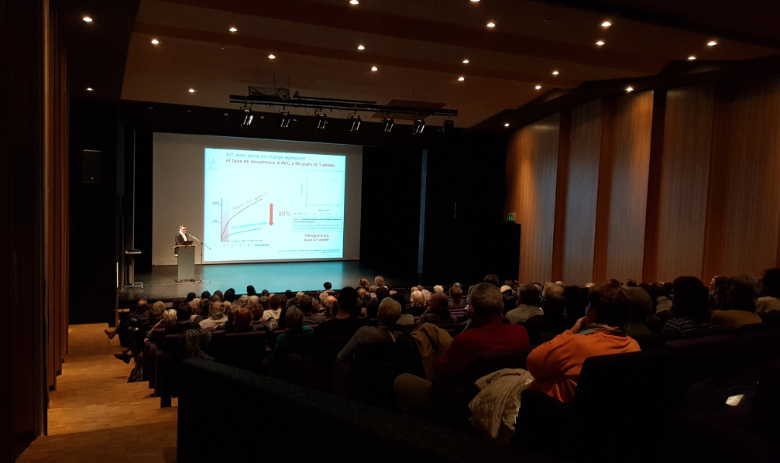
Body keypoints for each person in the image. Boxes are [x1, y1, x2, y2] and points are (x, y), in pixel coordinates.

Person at [394, 283, 530, 416]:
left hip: (461, 403)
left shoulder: (466, 340)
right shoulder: (521, 332)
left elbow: (439, 369)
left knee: (401, 380)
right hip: (505, 400)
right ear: (502, 306)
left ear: (473, 310)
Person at [526, 282, 641, 404]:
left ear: (593, 313)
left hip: (552, 408)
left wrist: (571, 332)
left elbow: (533, 363)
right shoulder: (633, 346)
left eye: (588, 305)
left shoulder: (578, 344)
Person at [337, 297, 402, 362]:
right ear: (398, 317)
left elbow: (341, 357)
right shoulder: (400, 338)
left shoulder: (364, 332)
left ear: (378, 314)